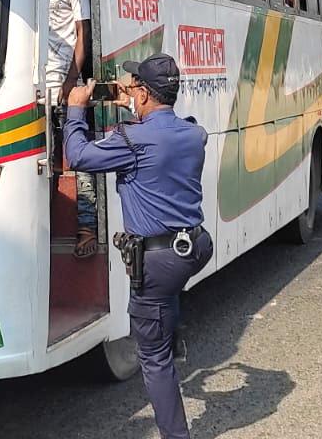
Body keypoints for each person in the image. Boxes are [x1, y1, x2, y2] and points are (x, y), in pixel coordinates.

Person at [64, 54, 212, 439]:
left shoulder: (132, 139)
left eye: (132, 86)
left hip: (159, 259)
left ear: (144, 95)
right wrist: (133, 114)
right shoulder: (194, 134)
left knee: (152, 357)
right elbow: (154, 142)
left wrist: (75, 111)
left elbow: (79, 156)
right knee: (166, 299)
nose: (128, 91)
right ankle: (171, 334)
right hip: (194, 247)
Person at [45, 0, 100, 258]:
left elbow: (83, 34)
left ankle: (87, 227)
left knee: (79, 159)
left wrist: (70, 81)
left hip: (65, 85)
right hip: (36, 88)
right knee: (45, 163)